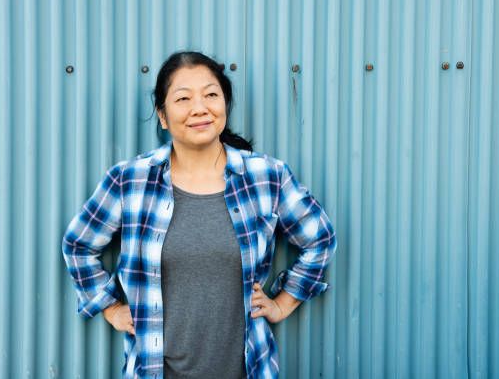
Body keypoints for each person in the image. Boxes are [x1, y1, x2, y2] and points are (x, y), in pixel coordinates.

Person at [61, 51, 338, 379]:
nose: (199, 108)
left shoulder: (267, 176)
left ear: (224, 104)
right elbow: (78, 244)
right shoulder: (130, 180)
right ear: (162, 116)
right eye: (183, 98)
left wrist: (283, 303)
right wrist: (109, 307)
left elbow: (320, 238)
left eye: (211, 94)